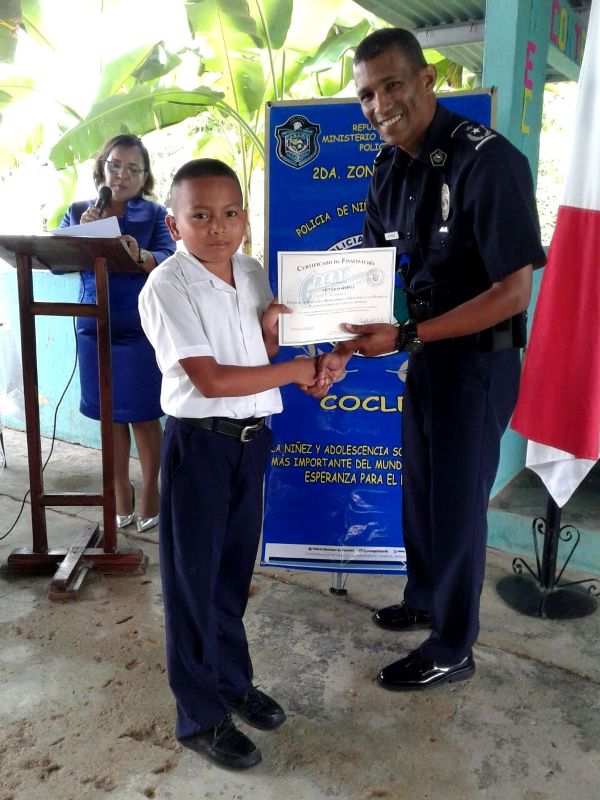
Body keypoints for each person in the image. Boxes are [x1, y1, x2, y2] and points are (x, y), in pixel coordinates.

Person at [316, 28, 546, 691]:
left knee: (456, 505)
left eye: (392, 85)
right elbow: (367, 277)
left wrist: (409, 336)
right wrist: (337, 343)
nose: (380, 104)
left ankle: (452, 646)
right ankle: (424, 598)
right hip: (425, 357)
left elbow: (512, 293)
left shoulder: (488, 162)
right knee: (419, 491)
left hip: (478, 363)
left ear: (427, 80)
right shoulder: (389, 169)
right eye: (367, 94)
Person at [138, 158, 324, 770]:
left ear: (244, 216)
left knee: (230, 574)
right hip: (200, 444)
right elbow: (212, 380)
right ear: (174, 224)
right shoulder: (167, 285)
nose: (218, 227)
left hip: (251, 441)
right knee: (192, 583)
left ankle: (231, 681)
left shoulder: (250, 270)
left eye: (230, 213)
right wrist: (297, 370)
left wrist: (276, 338)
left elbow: (257, 356)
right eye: (200, 215)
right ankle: (198, 716)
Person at [61, 134, 175, 533]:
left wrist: (139, 254)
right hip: (93, 326)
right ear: (102, 168)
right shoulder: (80, 211)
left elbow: (169, 257)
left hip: (139, 328)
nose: (121, 175)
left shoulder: (155, 214)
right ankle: (119, 489)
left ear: (144, 177)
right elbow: (58, 262)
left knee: (143, 415)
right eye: (115, 165)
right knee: (108, 415)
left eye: (132, 169)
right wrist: (80, 235)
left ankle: (150, 492)